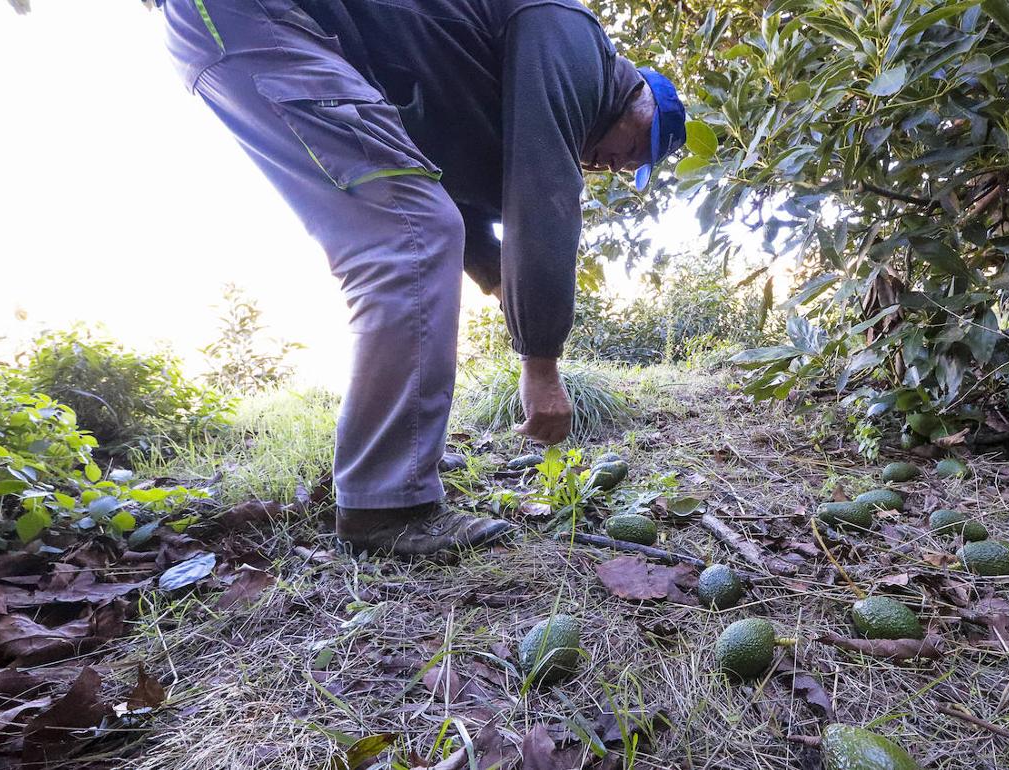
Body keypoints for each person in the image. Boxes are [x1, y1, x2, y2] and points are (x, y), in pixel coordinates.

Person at [158, 0, 686, 556]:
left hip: (266, 30)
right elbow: (544, 190)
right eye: (634, 148)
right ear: (639, 98)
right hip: (254, 17)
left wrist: (496, 275)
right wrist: (542, 365)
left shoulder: (487, 79)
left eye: (627, 168)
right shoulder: (571, 37)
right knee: (410, 233)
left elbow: (448, 189)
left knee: (422, 222)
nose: (611, 163)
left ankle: (402, 460)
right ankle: (387, 507)